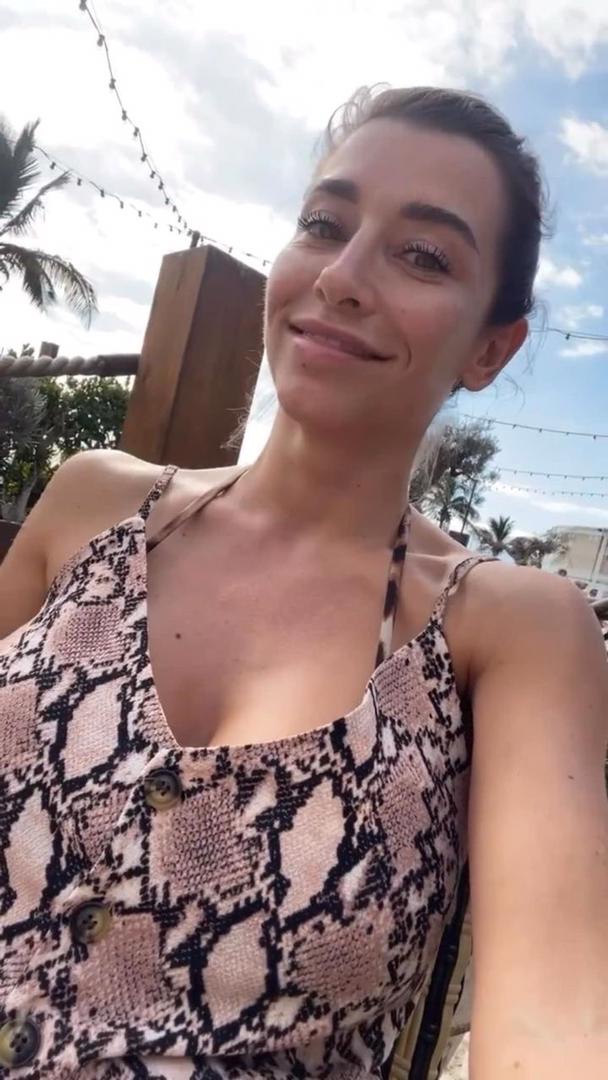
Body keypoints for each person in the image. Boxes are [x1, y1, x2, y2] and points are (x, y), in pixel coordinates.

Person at [0, 85, 607, 1080]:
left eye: (423, 255)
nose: (343, 276)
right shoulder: (89, 503)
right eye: (324, 224)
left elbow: (555, 1021)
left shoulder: (505, 627)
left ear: (490, 349)